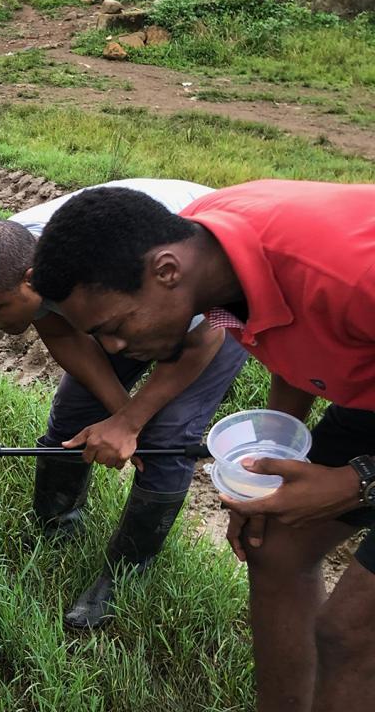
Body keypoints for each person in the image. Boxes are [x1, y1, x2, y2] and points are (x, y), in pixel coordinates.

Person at [29, 180, 375, 711]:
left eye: (116, 326)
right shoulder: (208, 246)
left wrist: (357, 482)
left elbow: (322, 299)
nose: (116, 348)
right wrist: (271, 472)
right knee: (273, 546)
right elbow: (294, 341)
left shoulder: (350, 277)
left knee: (350, 634)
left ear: (166, 271)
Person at [0, 179, 247, 629]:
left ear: (31, 281)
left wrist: (133, 423)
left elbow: (200, 342)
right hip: (123, 290)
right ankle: (56, 525)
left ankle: (124, 575)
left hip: (208, 316)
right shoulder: (14, 252)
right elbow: (63, 332)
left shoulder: (163, 275)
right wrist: (118, 412)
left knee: (167, 437)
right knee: (74, 412)